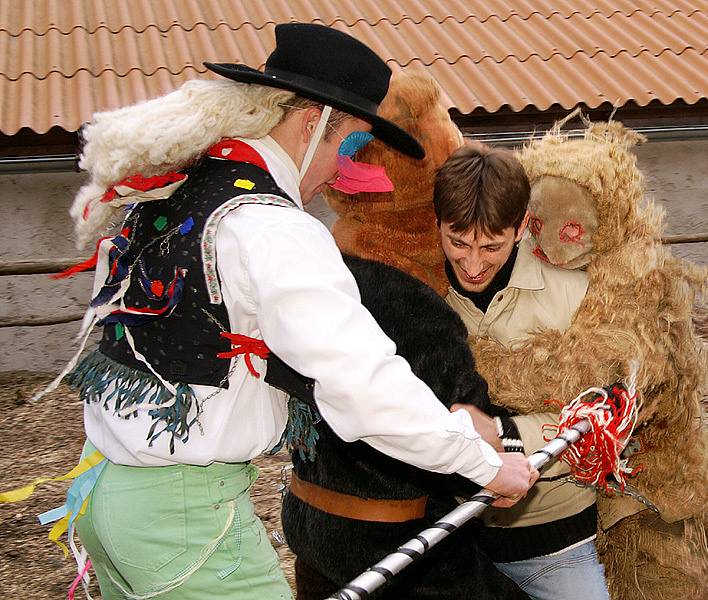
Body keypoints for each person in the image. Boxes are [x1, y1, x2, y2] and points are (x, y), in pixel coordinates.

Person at [54, 24, 534, 600]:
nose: (345, 173)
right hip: (180, 518)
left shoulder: (180, 189)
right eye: (351, 147)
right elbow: (361, 383)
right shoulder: (272, 226)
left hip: (107, 489)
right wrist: (482, 464)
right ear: (311, 126)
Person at [433, 144, 610, 600]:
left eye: (491, 246)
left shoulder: (576, 291)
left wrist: (502, 433)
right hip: (451, 545)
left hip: (555, 544)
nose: (472, 264)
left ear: (519, 229)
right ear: (437, 224)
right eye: (457, 242)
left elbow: (608, 413)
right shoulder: (419, 293)